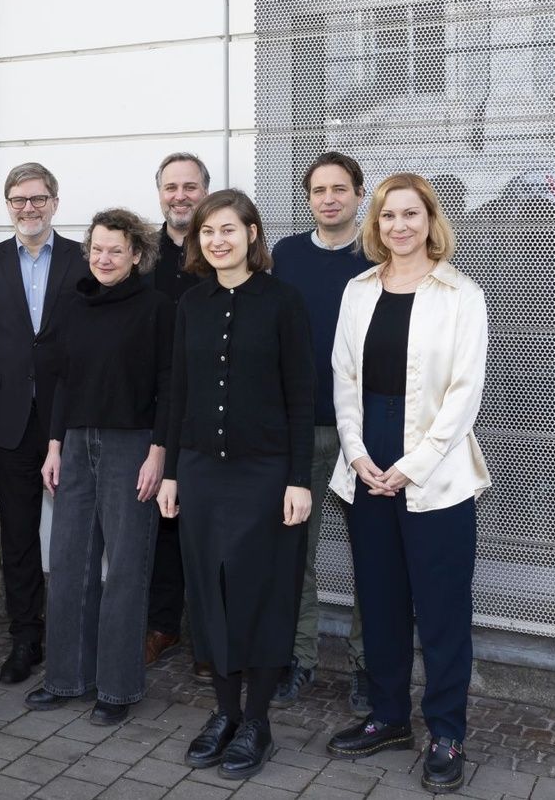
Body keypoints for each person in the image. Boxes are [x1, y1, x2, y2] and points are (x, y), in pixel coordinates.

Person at [324, 174, 490, 794]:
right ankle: (389, 717)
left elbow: (464, 393)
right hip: (367, 456)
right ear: (376, 224)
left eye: (411, 214)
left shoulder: (462, 294)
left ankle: (446, 732)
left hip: (437, 468)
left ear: (430, 221)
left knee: (442, 608)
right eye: (389, 215)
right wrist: (357, 452)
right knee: (381, 599)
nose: (399, 225)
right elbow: (344, 376)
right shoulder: (358, 290)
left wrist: (413, 465)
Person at [156, 189, 315, 781]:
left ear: (251, 233)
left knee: (264, 593)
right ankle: (224, 713)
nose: (217, 240)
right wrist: (172, 471)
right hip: (201, 470)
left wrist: (298, 479)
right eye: (207, 232)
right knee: (210, 591)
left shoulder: (283, 302)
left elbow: (302, 396)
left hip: (265, 472)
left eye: (228, 229)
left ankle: (257, 721)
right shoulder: (190, 304)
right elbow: (177, 392)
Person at [27, 208, 172, 727]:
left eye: (116, 250)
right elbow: (60, 382)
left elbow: (169, 385)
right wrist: (53, 446)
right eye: (97, 249)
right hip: (74, 442)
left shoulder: (157, 308)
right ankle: (66, 678)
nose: (104, 258)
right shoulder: (73, 303)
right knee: (69, 563)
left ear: (136, 255)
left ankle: (117, 687)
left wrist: (159, 452)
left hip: (132, 446)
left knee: (126, 570)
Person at [0, 162, 89, 684]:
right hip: (5, 420)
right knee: (17, 534)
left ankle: (73, 634)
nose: (28, 208)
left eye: (37, 198)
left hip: (70, 418)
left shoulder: (84, 258)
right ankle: (25, 637)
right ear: (7, 205)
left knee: (77, 533)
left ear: (54, 202)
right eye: (18, 199)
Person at [269, 151, 371, 712]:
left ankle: (367, 665)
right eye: (318, 190)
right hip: (302, 430)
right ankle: (298, 657)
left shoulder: (378, 253)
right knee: (294, 553)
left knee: (372, 556)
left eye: (339, 189)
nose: (328, 199)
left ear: (359, 194)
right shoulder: (285, 255)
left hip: (366, 434)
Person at [145, 152, 209, 675]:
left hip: (211, 406)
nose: (180, 195)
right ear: (160, 193)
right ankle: (162, 625)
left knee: (208, 525)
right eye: (172, 187)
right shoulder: (143, 253)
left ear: (204, 191)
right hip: (152, 406)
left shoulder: (220, 246)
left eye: (190, 186)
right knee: (162, 523)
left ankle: (211, 640)